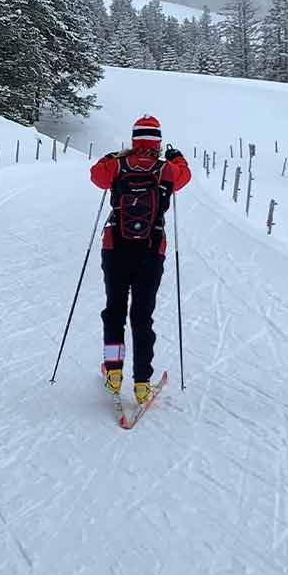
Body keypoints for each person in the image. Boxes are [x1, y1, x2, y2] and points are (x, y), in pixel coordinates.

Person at [89, 115, 191, 402]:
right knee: (142, 316)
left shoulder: (117, 166)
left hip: (115, 248)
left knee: (114, 312)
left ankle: (113, 371)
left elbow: (96, 175)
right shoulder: (167, 169)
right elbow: (185, 175)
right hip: (151, 249)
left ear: (134, 139)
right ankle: (142, 382)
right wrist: (178, 157)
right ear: (158, 141)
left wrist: (113, 155)